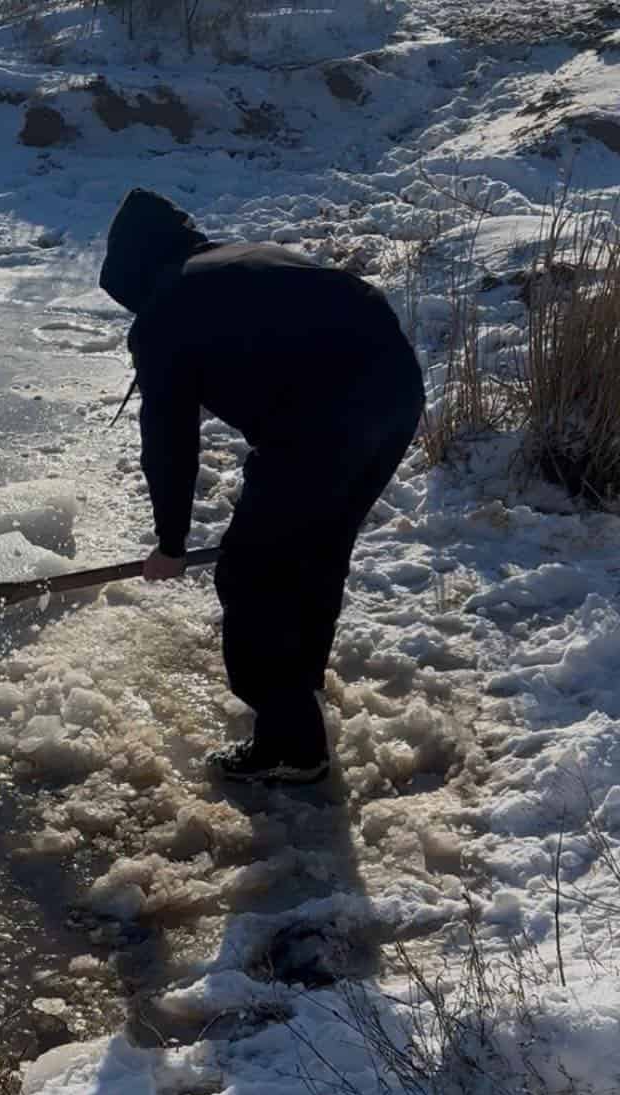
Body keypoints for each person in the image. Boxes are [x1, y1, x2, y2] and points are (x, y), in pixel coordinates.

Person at [99, 188, 425, 785]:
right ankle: (299, 684)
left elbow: (169, 440)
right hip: (396, 390)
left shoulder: (168, 308)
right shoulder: (246, 257)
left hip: (322, 420)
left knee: (251, 573)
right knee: (319, 547)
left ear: (133, 272)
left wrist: (171, 543)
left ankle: (290, 746)